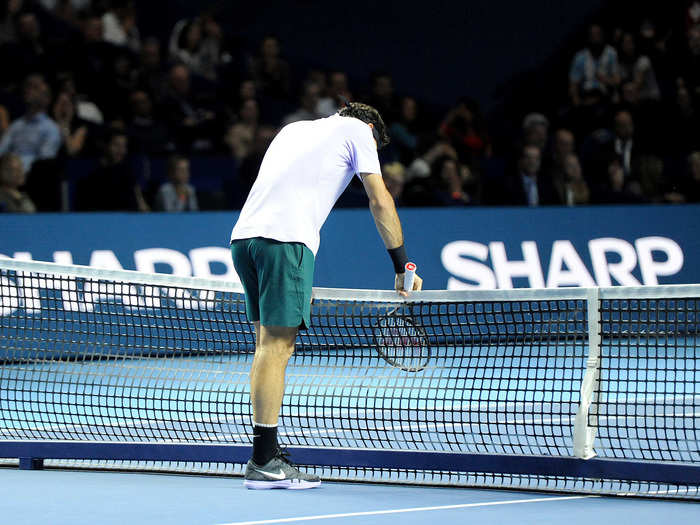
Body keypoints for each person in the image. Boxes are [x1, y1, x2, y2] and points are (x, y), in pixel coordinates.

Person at [229, 101, 422, 489]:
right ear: (371, 128)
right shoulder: (359, 132)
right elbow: (379, 198)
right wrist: (402, 265)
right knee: (276, 350)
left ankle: (265, 453)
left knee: (265, 348)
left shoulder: (293, 129)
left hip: (244, 241)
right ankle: (264, 461)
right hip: (286, 244)